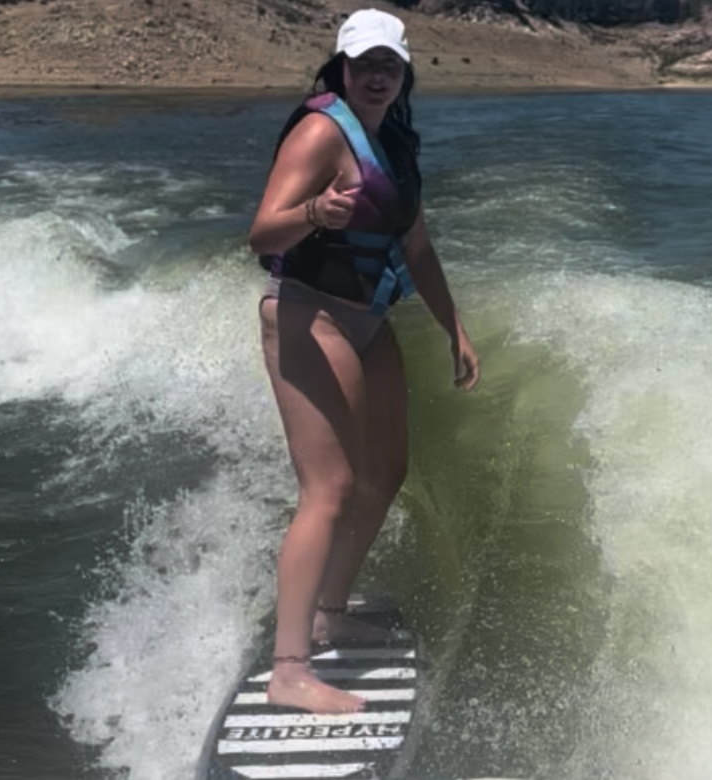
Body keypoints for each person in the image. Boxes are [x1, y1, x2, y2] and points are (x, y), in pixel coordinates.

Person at [247, 8, 480, 714]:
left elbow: (417, 250)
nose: (376, 75)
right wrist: (316, 212)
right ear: (342, 68)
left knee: (386, 473)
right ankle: (290, 670)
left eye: (389, 65)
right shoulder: (320, 130)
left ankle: (330, 612)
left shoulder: (398, 144)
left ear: (403, 73)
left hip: (369, 322)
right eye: (364, 64)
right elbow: (261, 233)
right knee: (332, 487)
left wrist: (454, 327)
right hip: (309, 314)